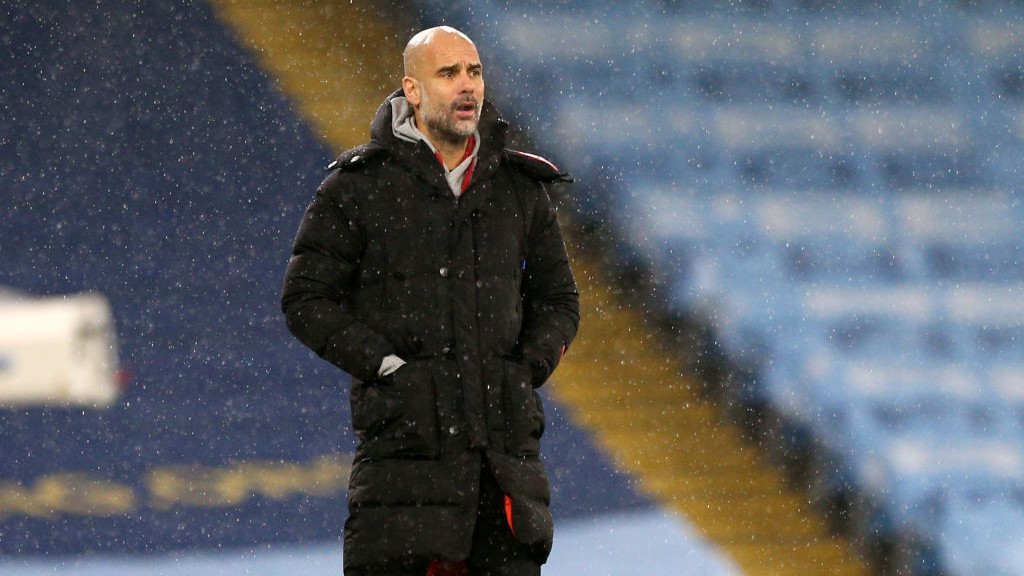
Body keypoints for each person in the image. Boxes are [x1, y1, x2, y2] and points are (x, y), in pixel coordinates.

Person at [281, 26, 580, 576]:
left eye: (475, 72)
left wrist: (526, 367)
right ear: (411, 91)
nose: (468, 86)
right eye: (448, 74)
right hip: (403, 476)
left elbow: (559, 300)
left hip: (505, 479)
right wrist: (387, 367)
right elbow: (305, 298)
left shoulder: (519, 186)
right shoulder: (357, 187)